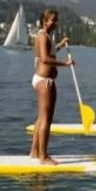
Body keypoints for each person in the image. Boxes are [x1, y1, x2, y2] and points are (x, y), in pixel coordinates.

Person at [31, 9, 73, 165]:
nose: (55, 23)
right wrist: (65, 64)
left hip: (43, 80)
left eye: (56, 20)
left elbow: (51, 52)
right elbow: (45, 58)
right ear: (45, 21)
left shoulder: (47, 36)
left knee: (41, 117)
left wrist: (61, 45)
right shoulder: (42, 36)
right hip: (44, 81)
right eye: (53, 20)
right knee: (46, 119)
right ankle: (43, 156)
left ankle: (35, 152)